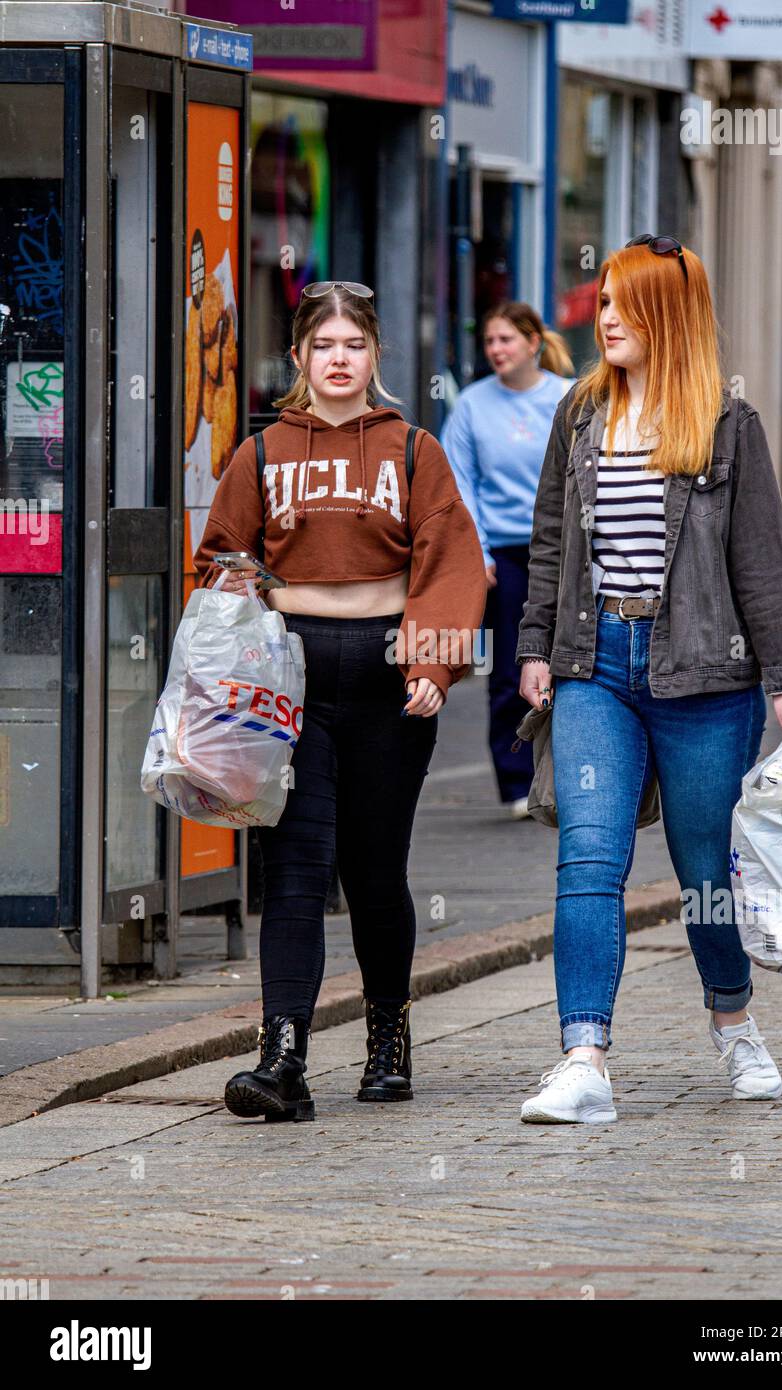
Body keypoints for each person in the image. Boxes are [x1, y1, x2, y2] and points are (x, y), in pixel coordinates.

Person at [514, 236, 782, 1125]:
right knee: (589, 857)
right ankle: (584, 1060)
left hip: (705, 676)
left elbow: (763, 564)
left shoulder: (728, 424)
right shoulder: (579, 414)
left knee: (702, 871)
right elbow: (549, 545)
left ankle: (733, 1023)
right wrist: (536, 647)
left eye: (624, 303)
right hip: (595, 669)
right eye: (602, 299)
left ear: (668, 316)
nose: (605, 316)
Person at [192, 281, 487, 1121]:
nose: (338, 360)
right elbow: (220, 559)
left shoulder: (411, 448)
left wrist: (434, 660)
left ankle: (387, 1039)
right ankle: (281, 1059)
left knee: (373, 869)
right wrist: (236, 627)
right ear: (299, 360)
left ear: (375, 358)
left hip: (391, 670)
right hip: (291, 677)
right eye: (323, 347)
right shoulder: (261, 452)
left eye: (353, 346)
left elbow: (451, 557)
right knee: (293, 868)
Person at [441, 303, 575, 817]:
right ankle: (518, 782)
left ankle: (574, 775)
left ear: (533, 343)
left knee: (574, 665)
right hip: (506, 552)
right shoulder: (472, 406)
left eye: (506, 340)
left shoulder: (567, 397)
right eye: (490, 341)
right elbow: (459, 482)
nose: (496, 349)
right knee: (509, 670)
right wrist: (476, 552)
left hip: (567, 548)